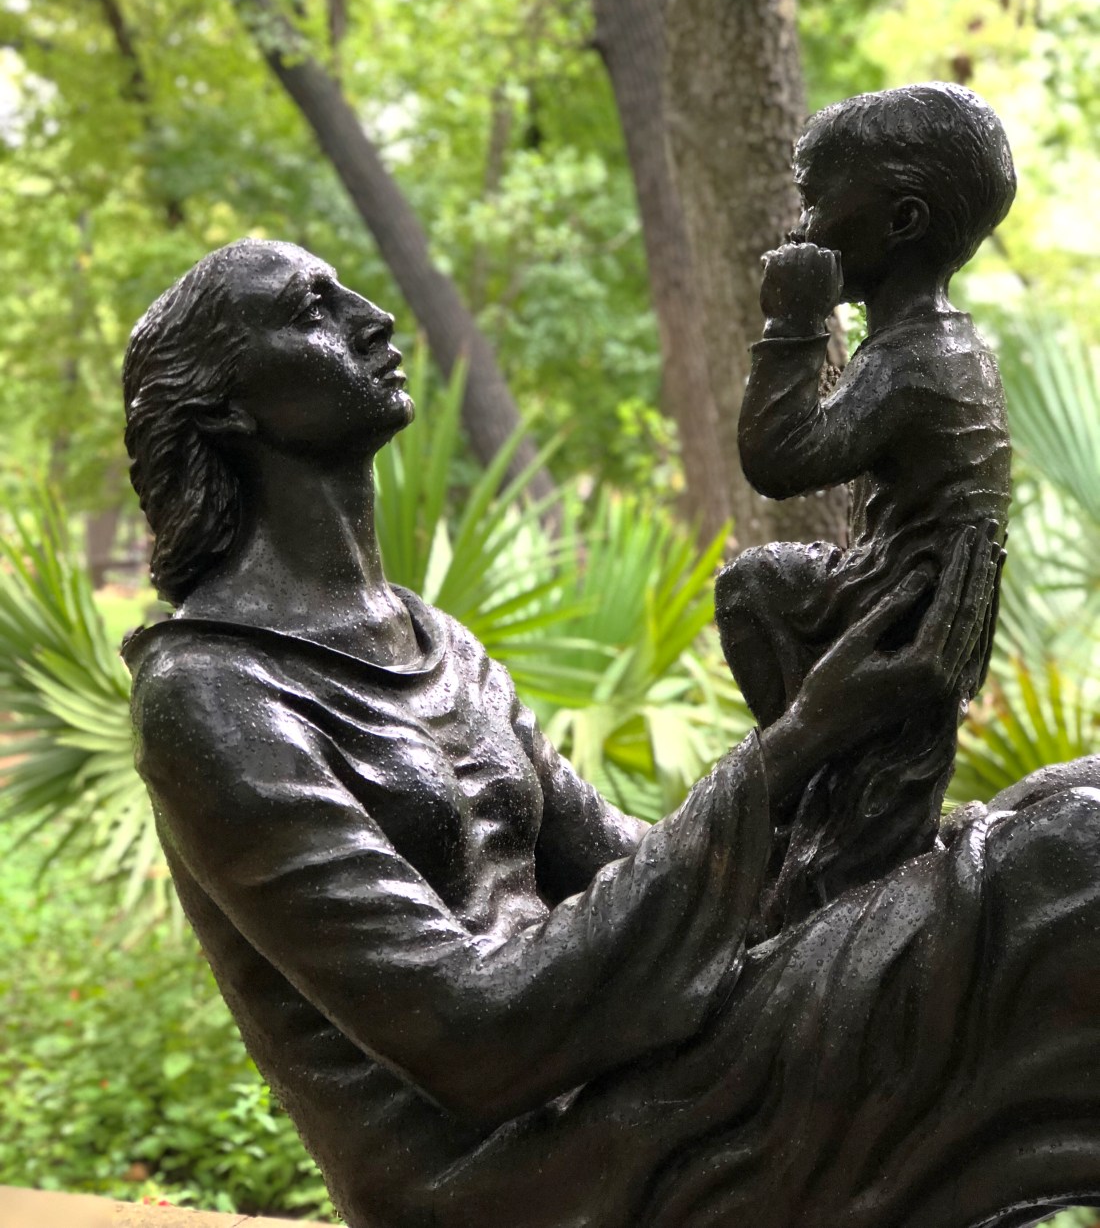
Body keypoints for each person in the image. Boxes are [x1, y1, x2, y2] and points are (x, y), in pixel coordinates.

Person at [123, 239, 1100, 1228]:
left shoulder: (435, 639)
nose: (372, 318)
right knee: (1067, 871)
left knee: (1063, 810)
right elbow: (471, 1033)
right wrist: (796, 742)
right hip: (519, 1175)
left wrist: (857, 792)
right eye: (313, 311)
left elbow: (618, 863)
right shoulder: (210, 693)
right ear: (230, 406)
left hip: (634, 1073)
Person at [715, 84, 1015, 928]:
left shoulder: (914, 361)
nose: (800, 224)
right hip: (905, 598)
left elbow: (777, 460)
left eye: (815, 202)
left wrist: (794, 321)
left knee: (756, 588)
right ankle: (815, 784)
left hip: (903, 611)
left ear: (902, 222)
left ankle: (812, 783)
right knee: (766, 585)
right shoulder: (938, 345)